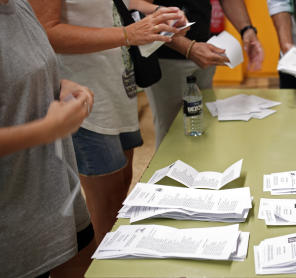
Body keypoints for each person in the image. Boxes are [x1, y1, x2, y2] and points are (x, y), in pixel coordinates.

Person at [29, 0, 187, 244]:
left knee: (121, 189)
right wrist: (127, 34)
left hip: (118, 85)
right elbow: (45, 31)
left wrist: (155, 16)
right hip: (85, 96)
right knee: (106, 206)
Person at [0, 1, 96, 277]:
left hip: (54, 192)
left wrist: (63, 87)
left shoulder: (19, 6)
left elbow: (26, 73)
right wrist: (46, 130)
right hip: (13, 216)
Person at [145, 0, 265, 147]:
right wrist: (188, 48)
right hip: (166, 56)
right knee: (172, 135)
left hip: (204, 48)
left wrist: (247, 29)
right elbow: (138, 8)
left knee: (205, 124)